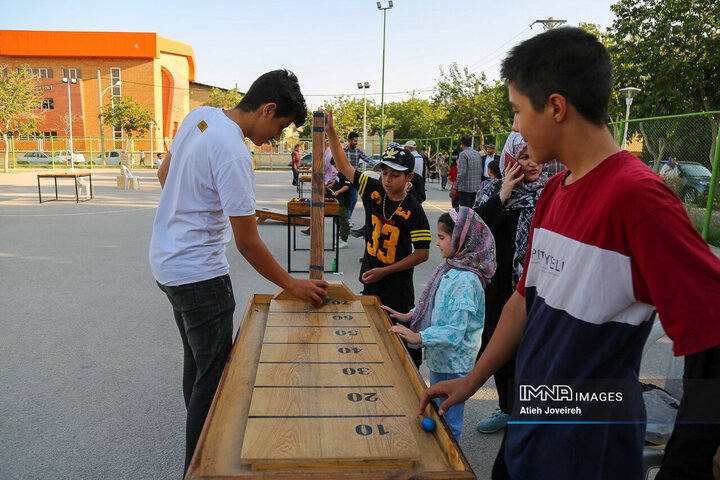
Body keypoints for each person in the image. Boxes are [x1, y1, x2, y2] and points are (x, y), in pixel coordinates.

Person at [420, 27, 720, 480]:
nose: (516, 129)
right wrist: (471, 380)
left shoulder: (638, 199)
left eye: (518, 112)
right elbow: (522, 302)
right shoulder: (553, 194)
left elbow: (713, 334)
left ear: (556, 107)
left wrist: (686, 465)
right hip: (530, 428)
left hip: (587, 450)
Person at [149, 69, 329, 473]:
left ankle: (200, 448)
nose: (278, 137)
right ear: (267, 109)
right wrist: (292, 284)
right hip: (200, 275)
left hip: (167, 263)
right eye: (281, 125)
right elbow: (248, 240)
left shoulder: (202, 116)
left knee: (198, 364)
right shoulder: (233, 150)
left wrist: (194, 205)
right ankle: (199, 467)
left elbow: (165, 176)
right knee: (213, 378)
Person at [326, 110, 431, 367]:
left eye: (395, 175)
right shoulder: (372, 189)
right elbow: (343, 166)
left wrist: (386, 271)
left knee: (400, 345)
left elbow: (422, 253)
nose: (387, 179)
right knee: (371, 335)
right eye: (384, 172)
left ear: (409, 178)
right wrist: (330, 130)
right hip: (371, 277)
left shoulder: (414, 210)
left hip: (396, 286)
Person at [382, 207, 495, 441]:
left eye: (442, 238)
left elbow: (454, 332)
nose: (437, 243)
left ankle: (453, 464)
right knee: (440, 412)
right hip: (441, 358)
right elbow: (435, 304)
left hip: (454, 363)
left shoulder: (465, 279)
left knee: (448, 420)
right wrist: (410, 315)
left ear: (461, 240)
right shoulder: (451, 268)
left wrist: (419, 337)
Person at [472, 132, 548, 475]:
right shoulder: (490, 191)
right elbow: (473, 237)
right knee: (494, 347)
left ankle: (520, 413)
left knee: (525, 355)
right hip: (496, 287)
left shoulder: (550, 193)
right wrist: (502, 194)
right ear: (509, 158)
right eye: (524, 156)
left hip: (532, 289)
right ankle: (506, 406)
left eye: (536, 157)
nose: (532, 163)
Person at [344, 132, 371, 226]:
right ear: (349, 141)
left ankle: (348, 217)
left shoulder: (358, 151)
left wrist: (379, 166)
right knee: (344, 200)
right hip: (344, 180)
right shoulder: (343, 151)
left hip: (354, 179)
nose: (356, 143)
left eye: (357, 141)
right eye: (355, 141)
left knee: (354, 198)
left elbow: (368, 160)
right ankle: (345, 218)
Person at [326, 158, 352, 249]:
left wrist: (338, 192)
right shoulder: (340, 172)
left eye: (336, 166)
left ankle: (344, 240)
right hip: (338, 201)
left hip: (344, 201)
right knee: (337, 220)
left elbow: (347, 186)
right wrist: (332, 185)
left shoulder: (346, 173)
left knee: (343, 220)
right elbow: (337, 180)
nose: (336, 168)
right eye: (334, 166)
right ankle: (341, 237)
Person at [453, 135, 483, 207]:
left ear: (462, 143)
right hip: (475, 187)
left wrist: (455, 187)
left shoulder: (463, 154)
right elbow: (480, 170)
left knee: (465, 210)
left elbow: (461, 173)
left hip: (465, 188)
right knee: (471, 209)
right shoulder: (477, 154)